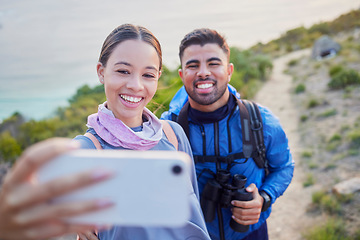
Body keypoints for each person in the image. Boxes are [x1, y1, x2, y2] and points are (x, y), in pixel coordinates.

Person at [0, 24, 211, 240]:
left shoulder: (173, 135)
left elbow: (196, 216)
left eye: (147, 75)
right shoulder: (85, 150)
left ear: (158, 76)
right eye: (123, 71)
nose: (136, 85)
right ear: (101, 72)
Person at [161, 28, 295, 240]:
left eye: (213, 63)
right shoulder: (166, 129)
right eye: (192, 65)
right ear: (182, 74)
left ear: (229, 71)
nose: (203, 72)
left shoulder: (260, 120)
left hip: (251, 234)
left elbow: (284, 167)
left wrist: (264, 198)